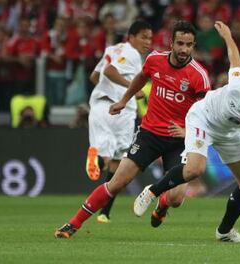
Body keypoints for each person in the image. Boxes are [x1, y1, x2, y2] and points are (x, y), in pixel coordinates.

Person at [133, 21, 240, 243]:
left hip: (229, 132)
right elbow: (234, 59)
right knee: (195, 169)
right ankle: (152, 192)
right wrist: (228, 37)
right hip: (203, 118)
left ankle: (225, 232)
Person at [55, 20, 211, 238]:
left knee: (176, 199)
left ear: (193, 45)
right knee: (117, 182)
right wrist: (123, 100)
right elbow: (140, 78)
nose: (184, 49)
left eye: (189, 45)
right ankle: (73, 224)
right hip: (149, 134)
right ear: (171, 43)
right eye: (180, 43)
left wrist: (189, 132)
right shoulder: (155, 60)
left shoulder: (199, 75)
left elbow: (206, 112)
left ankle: (162, 205)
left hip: (178, 140)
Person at [83, 20, 153, 224]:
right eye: (143, 37)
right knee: (118, 161)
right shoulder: (131, 53)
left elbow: (95, 76)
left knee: (112, 161)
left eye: (150, 38)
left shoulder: (112, 49)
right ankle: (97, 162)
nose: (148, 42)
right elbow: (110, 72)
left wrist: (108, 90)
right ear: (131, 37)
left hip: (99, 105)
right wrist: (133, 88)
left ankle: (105, 212)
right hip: (120, 111)